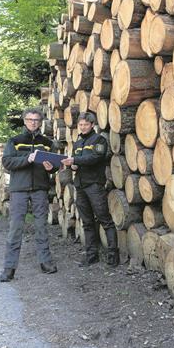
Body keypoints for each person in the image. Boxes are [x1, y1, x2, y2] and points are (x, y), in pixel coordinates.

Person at [0, 107, 58, 282]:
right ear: (24, 121)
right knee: (15, 228)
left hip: (40, 189)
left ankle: (45, 263)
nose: (33, 122)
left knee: (41, 227)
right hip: (19, 190)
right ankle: (9, 268)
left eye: (36, 120)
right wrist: (27, 159)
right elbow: (7, 162)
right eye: (30, 119)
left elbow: (55, 164)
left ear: (40, 122)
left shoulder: (47, 142)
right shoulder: (15, 141)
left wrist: (52, 167)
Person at [62, 112, 119, 267]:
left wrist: (75, 160)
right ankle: (91, 255)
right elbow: (77, 163)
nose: (83, 127)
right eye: (80, 124)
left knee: (105, 220)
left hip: (95, 186)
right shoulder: (77, 144)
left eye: (86, 124)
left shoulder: (99, 140)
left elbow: (96, 158)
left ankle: (113, 256)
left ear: (92, 125)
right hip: (80, 186)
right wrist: (73, 165)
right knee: (87, 222)